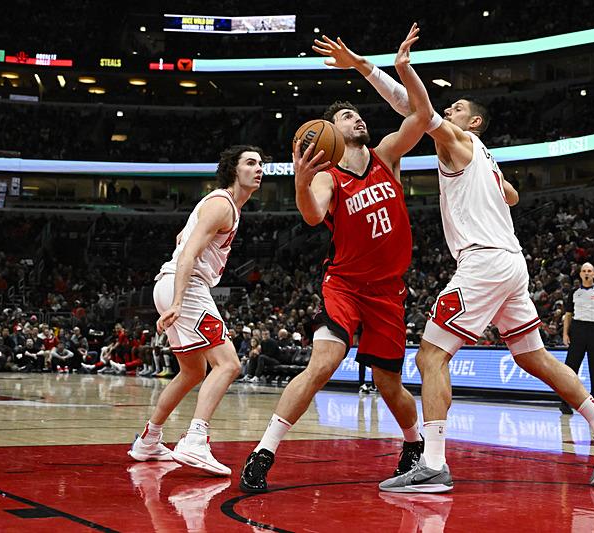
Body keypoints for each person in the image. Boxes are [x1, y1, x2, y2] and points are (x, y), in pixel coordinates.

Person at [314, 25, 594, 493]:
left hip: (483, 262)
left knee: (430, 357)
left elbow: (416, 110)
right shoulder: (485, 155)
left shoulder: (459, 142)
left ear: (474, 122)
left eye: (457, 109)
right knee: (534, 357)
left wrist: (376, 67)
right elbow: (513, 195)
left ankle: (435, 463)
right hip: (511, 262)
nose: (449, 111)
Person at [240, 27, 431, 493]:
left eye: (358, 114)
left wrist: (377, 66)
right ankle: (263, 452)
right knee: (323, 363)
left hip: (389, 290)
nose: (358, 119)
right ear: (330, 133)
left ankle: (414, 445)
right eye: (347, 116)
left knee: (390, 386)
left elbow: (423, 115)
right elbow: (311, 216)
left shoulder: (386, 154)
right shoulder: (327, 176)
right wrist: (302, 182)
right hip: (345, 285)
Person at [127, 145, 263, 476]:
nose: (258, 168)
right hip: (185, 288)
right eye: (250, 163)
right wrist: (177, 301)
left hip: (172, 283)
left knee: (192, 372)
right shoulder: (222, 205)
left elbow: (180, 238)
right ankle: (195, 439)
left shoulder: (221, 204)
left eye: (260, 163)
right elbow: (187, 253)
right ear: (234, 170)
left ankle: (149, 440)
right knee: (229, 364)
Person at [559, 262, 594, 414]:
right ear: (580, 274)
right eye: (584, 271)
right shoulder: (574, 293)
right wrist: (565, 333)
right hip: (578, 330)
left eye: (590, 271)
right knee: (570, 368)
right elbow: (568, 315)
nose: (587, 273)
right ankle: (564, 402)